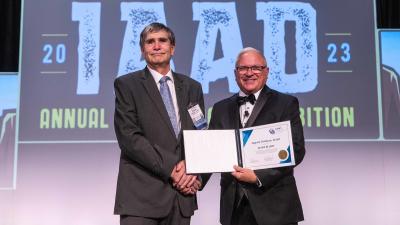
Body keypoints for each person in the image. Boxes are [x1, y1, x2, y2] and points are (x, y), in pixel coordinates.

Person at [113, 22, 204, 225]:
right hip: (142, 198)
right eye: (150, 42)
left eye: (162, 41)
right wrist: (174, 169)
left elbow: (201, 134)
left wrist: (195, 171)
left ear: (172, 48)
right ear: (142, 49)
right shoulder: (127, 85)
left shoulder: (192, 87)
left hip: (181, 196)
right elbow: (129, 138)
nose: (156, 46)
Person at [208, 47, 306, 225]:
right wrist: (192, 179)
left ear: (266, 72)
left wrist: (258, 176)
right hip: (234, 208)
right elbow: (211, 151)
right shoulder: (220, 108)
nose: (249, 73)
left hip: (275, 206)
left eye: (256, 68)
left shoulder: (285, 104)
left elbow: (296, 150)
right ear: (235, 73)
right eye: (243, 68)